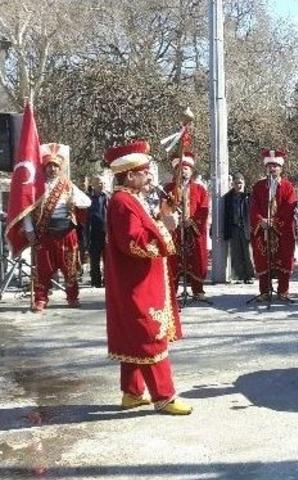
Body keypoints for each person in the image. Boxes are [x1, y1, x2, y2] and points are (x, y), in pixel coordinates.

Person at [103, 139, 192, 415]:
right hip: (136, 283)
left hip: (139, 280)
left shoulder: (131, 199)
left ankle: (132, 393)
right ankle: (164, 396)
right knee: (149, 335)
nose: (149, 176)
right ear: (130, 175)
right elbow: (133, 242)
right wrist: (164, 227)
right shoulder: (122, 202)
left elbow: (143, 227)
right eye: (144, 172)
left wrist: (161, 215)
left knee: (133, 337)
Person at [23, 143, 91, 312]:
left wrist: (74, 200)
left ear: (60, 168)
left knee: (69, 267)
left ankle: (72, 297)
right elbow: (26, 210)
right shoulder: (36, 187)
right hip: (45, 233)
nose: (52, 169)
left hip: (67, 233)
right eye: (49, 166)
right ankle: (41, 299)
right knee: (43, 268)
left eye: (55, 166)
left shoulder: (67, 185)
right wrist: (29, 230)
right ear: (44, 168)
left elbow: (87, 202)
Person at [250, 149, 298, 301]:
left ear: (281, 168)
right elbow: (253, 206)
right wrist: (261, 220)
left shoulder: (288, 186)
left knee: (284, 259)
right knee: (263, 259)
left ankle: (283, 290)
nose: (272, 169)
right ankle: (264, 291)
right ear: (265, 168)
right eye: (269, 166)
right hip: (262, 229)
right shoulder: (258, 187)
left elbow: (290, 207)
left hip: (283, 230)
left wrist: (274, 222)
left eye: (275, 166)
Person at [164, 152, 209, 299]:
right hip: (175, 231)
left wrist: (193, 221)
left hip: (193, 230)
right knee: (173, 260)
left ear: (191, 171)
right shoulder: (168, 189)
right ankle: (172, 291)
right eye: (180, 169)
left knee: (196, 259)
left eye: (186, 169)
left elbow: (204, 209)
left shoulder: (200, 189)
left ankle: (198, 290)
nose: (183, 172)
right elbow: (164, 208)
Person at [223, 173, 254, 284]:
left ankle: (250, 276)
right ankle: (239, 276)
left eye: (240, 183)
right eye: (236, 183)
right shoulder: (228, 197)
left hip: (245, 227)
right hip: (234, 228)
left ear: (244, 183)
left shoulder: (248, 196)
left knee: (247, 252)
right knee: (236, 253)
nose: (239, 185)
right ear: (233, 184)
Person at [87, 176, 109, 288]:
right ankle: (96, 281)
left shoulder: (108, 197)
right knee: (94, 258)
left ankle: (107, 280)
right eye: (99, 183)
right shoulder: (88, 198)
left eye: (103, 183)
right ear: (93, 185)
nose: (102, 185)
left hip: (106, 231)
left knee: (107, 258)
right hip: (93, 231)